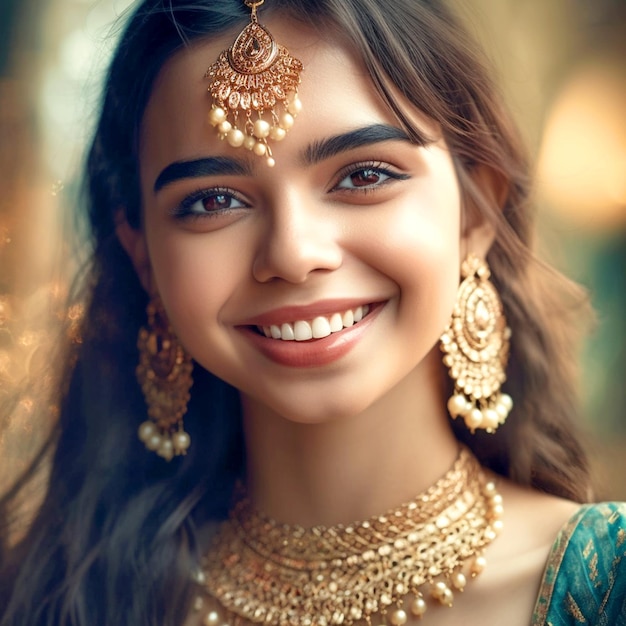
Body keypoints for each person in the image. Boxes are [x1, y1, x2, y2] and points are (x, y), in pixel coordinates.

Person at [0, 0, 624, 624]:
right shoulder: (61, 598)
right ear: (144, 258)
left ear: (476, 212)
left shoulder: (603, 588)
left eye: (362, 176)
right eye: (214, 199)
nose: (293, 254)